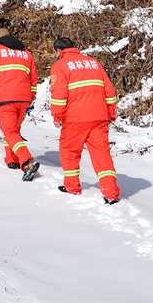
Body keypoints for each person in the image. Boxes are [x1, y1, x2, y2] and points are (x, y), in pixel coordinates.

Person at [49, 37, 121, 204]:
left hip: (75, 118)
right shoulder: (93, 63)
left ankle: (72, 187)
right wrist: (110, 113)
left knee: (69, 151)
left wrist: (57, 116)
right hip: (99, 117)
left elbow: (59, 94)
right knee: (102, 154)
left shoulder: (59, 65)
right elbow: (109, 91)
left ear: (58, 51)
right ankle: (111, 192)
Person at [0, 19, 40, 182]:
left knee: (9, 132)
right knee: (13, 130)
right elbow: (33, 78)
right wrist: (31, 99)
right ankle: (12, 160)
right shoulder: (25, 53)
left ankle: (27, 161)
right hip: (24, 98)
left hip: (6, 98)